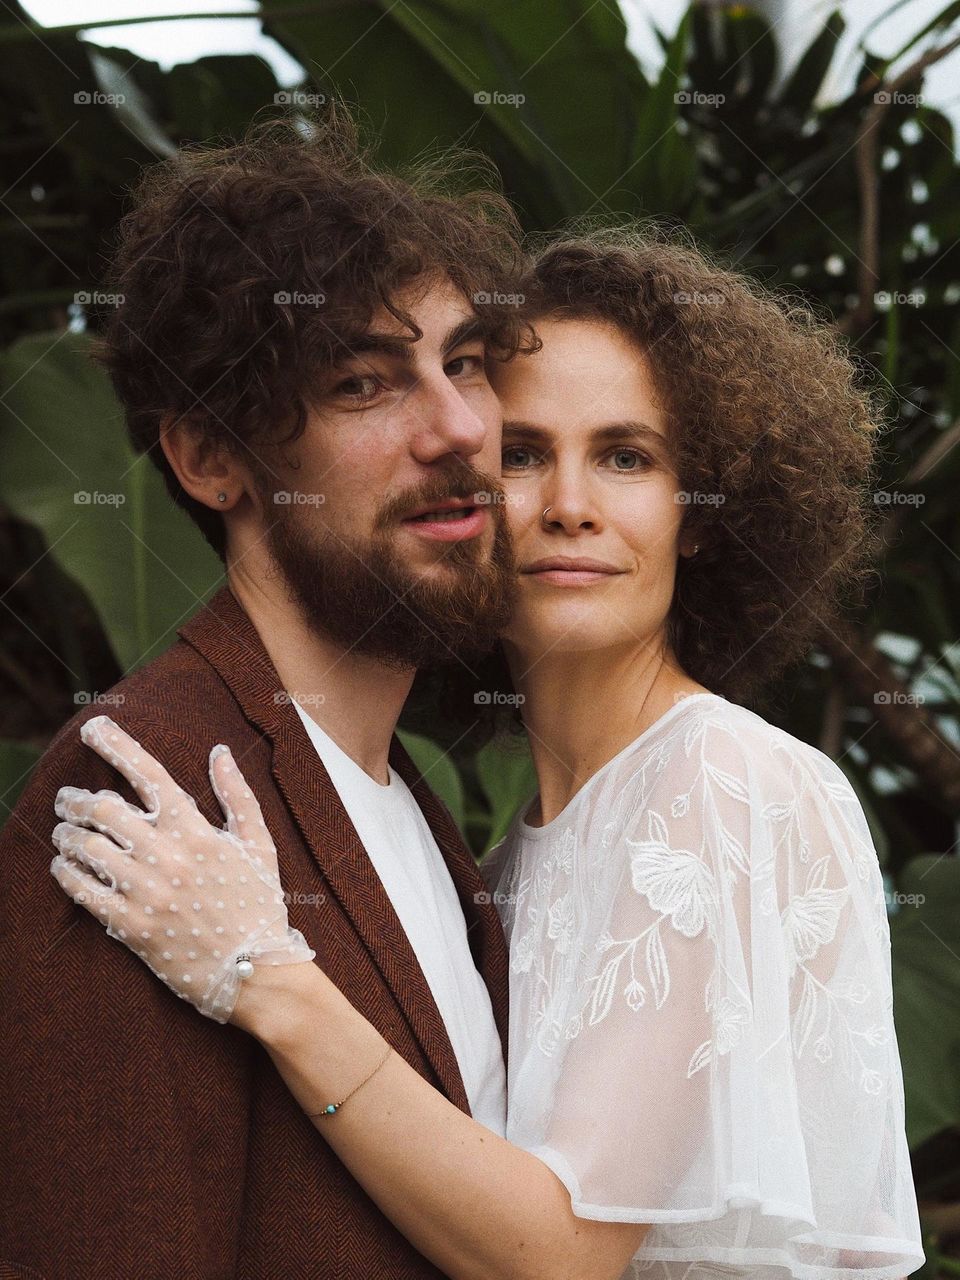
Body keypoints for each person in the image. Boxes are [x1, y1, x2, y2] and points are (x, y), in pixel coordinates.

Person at [50, 229, 926, 1280]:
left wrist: (268, 979)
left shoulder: (728, 782)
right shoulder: (497, 859)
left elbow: (556, 1257)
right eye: (520, 453)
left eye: (627, 455)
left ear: (699, 516)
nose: (567, 503)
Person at [0, 106, 534, 1278]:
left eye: (466, 364)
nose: (457, 428)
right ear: (209, 458)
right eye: (363, 383)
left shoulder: (409, 808)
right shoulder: (142, 791)